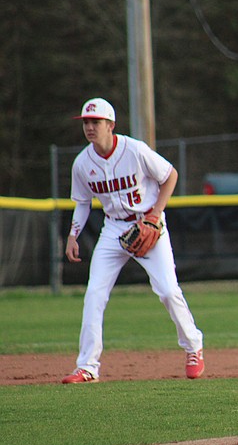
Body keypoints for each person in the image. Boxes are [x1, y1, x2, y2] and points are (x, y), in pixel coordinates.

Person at [61, 98, 205, 383]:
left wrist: (155, 214)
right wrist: (73, 234)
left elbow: (170, 175)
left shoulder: (134, 149)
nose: (90, 127)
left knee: (167, 290)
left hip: (148, 225)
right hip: (113, 230)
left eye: (96, 122)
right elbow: (82, 202)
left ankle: (193, 346)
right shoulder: (82, 164)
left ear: (110, 125)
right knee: (94, 294)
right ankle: (88, 366)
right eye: (86, 123)